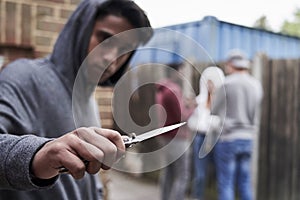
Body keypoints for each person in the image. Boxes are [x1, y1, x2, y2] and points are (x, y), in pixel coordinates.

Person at [0, 0, 153, 199]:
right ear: (81, 29)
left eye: (124, 49)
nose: (111, 56)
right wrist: (39, 155)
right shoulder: (23, 76)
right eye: (105, 38)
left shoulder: (88, 99)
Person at [211, 49, 263, 200]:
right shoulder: (256, 85)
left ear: (231, 64)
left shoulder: (226, 83)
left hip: (228, 139)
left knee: (226, 183)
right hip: (248, 139)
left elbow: (214, 109)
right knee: (245, 182)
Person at [155, 62, 195, 200]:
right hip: (177, 138)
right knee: (182, 175)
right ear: (174, 72)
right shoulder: (174, 90)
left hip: (165, 137)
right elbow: (182, 116)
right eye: (181, 71)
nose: (183, 74)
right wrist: (192, 107)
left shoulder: (162, 89)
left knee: (169, 173)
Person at [187, 66, 224, 200]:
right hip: (200, 138)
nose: (210, 85)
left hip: (217, 139)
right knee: (200, 174)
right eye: (207, 82)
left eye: (212, 82)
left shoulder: (222, 102)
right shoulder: (200, 101)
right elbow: (191, 122)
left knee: (220, 174)